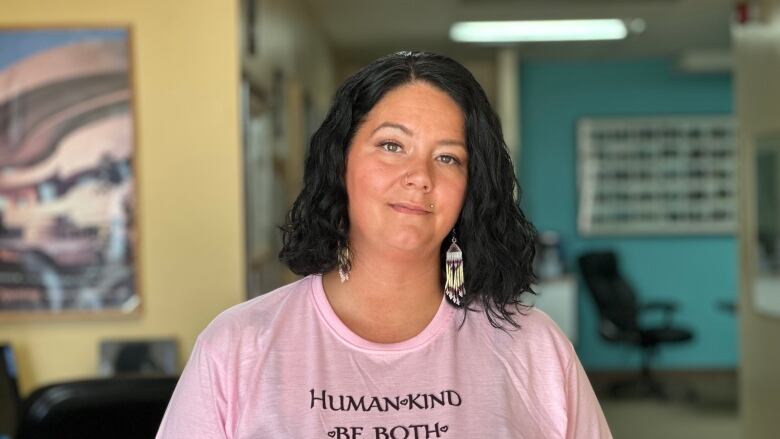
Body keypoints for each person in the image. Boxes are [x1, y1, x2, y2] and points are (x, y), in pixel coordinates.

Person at [157, 51, 612, 438]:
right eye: (392, 145)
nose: (420, 176)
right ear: (341, 164)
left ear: (470, 188)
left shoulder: (533, 348)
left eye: (448, 157)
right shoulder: (238, 345)